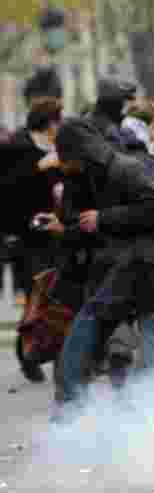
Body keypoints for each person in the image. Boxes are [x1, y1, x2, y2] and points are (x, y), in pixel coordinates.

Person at [47, 119, 154, 414]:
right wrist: (72, 228)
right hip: (149, 262)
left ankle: (149, 410)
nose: (66, 169)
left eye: (68, 161)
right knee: (113, 320)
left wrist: (103, 218)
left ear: (79, 154)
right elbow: (109, 224)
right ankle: (132, 407)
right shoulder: (101, 173)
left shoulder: (126, 169)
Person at [1, 97, 64, 381]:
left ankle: (47, 351)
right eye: (58, 121)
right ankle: (27, 354)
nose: (61, 126)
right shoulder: (15, 147)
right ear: (49, 122)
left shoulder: (58, 149)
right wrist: (40, 167)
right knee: (35, 295)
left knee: (54, 295)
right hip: (25, 235)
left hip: (56, 232)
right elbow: (8, 188)